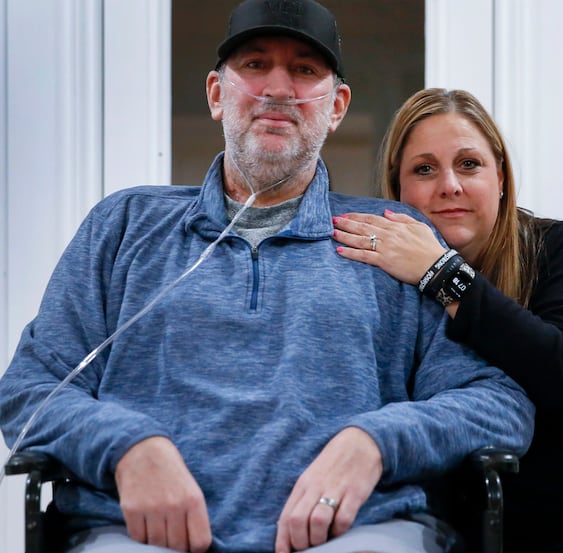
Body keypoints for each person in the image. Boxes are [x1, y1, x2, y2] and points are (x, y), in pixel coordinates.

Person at [0, 4, 535, 553]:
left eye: (305, 71)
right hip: (133, 535)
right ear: (216, 94)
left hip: (358, 535)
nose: (278, 88)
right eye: (255, 65)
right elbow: (28, 390)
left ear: (336, 108)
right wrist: (128, 447)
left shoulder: (396, 238)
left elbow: (497, 402)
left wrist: (373, 442)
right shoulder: (125, 225)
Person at [332, 88, 563, 553]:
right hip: (496, 531)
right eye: (424, 168)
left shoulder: (562, 248)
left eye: (469, 164)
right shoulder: (391, 288)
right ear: (398, 189)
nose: (449, 184)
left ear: (500, 177)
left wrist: (441, 274)